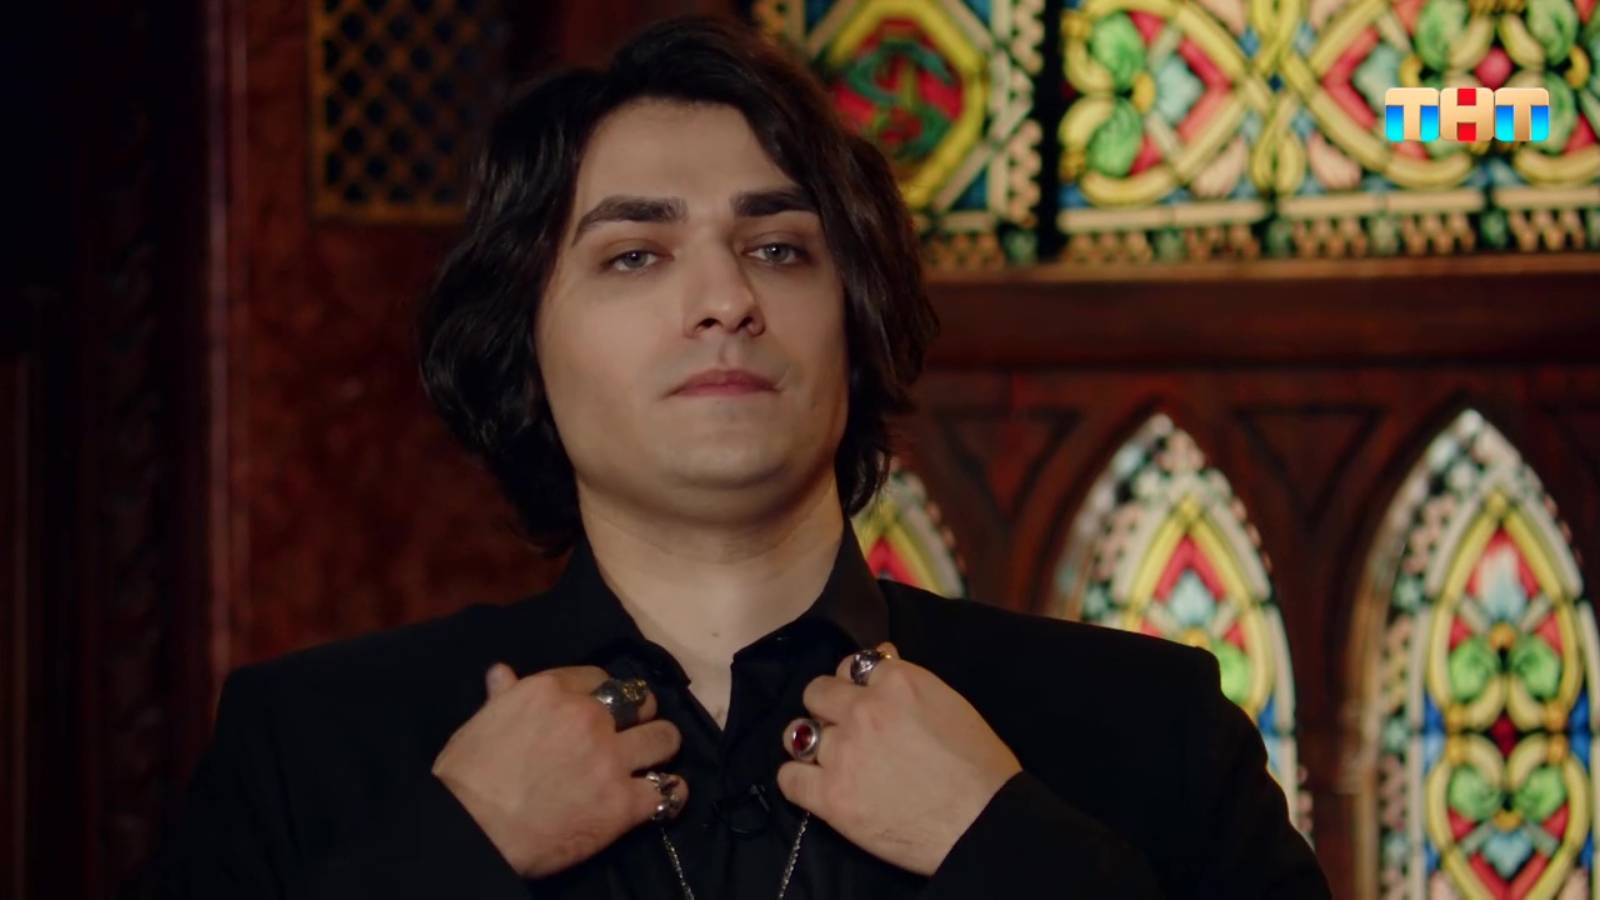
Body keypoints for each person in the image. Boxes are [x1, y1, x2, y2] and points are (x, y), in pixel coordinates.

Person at [154, 14, 1331, 899]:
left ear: (855, 326)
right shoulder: (313, 747)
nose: (724, 298)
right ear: (521, 348)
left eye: (779, 249)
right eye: (634, 255)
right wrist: (453, 850)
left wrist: (1005, 845)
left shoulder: (1146, 728)